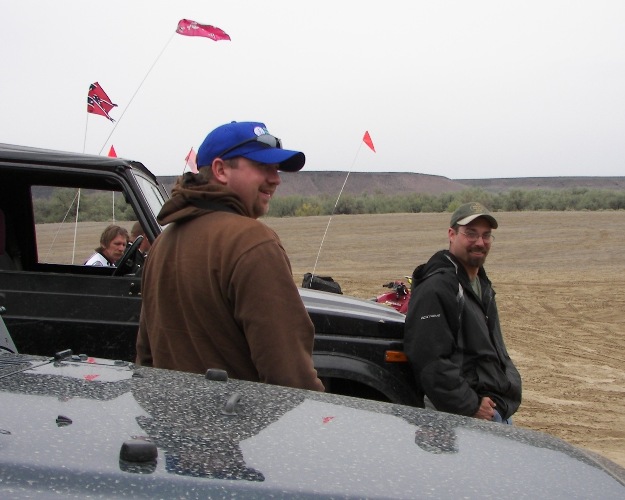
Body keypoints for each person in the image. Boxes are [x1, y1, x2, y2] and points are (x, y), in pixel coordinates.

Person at [136, 121, 324, 392]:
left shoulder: (163, 242)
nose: (276, 178)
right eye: (263, 166)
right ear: (221, 170)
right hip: (238, 428)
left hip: (173, 423)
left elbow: (146, 355)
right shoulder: (252, 241)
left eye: (277, 169)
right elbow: (289, 375)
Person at [404, 202, 521, 424]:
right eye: (471, 234)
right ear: (451, 234)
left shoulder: (481, 285)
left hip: (491, 409)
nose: (480, 242)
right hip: (461, 416)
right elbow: (430, 360)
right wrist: (471, 406)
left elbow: (492, 350)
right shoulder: (437, 288)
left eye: (486, 236)